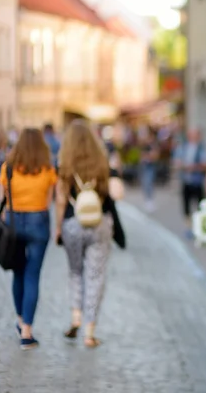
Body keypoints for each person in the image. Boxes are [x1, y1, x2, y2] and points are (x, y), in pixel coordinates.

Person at [54, 120, 115, 348]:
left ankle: (75, 317)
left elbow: (60, 200)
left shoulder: (65, 164)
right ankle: (90, 332)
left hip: (72, 222)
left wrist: (58, 227)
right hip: (99, 223)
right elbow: (110, 192)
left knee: (75, 272)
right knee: (95, 276)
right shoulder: (102, 162)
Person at [0, 128, 57, 350]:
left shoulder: (9, 168)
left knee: (18, 273)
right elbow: (49, 201)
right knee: (32, 275)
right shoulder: (47, 169)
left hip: (14, 222)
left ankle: (21, 319)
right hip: (38, 221)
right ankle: (27, 332)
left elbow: (2, 197)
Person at [174, 128, 206, 238]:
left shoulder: (202, 148)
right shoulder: (183, 147)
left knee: (200, 206)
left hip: (198, 181)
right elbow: (176, 161)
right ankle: (189, 228)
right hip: (186, 180)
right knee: (186, 206)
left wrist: (193, 167)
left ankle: (200, 228)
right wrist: (181, 165)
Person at [139, 128, 159, 212]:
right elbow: (141, 156)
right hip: (144, 166)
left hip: (150, 166)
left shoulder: (153, 145)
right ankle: (147, 200)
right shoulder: (144, 145)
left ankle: (150, 200)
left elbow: (154, 156)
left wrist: (147, 156)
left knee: (149, 182)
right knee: (145, 183)